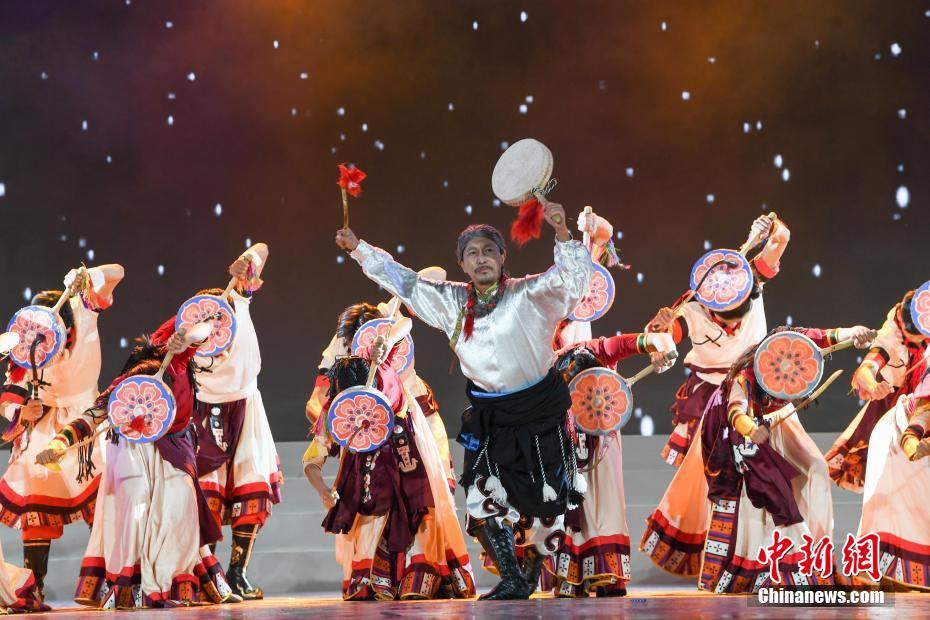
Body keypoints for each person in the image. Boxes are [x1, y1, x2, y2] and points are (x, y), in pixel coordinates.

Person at [335, 198, 595, 600]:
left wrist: (562, 232)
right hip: (493, 418)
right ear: (462, 263)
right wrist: (359, 249)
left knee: (549, 507)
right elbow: (404, 281)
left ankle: (528, 576)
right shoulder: (450, 302)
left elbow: (573, 282)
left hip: (541, 412)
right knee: (479, 499)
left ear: (502, 257)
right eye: (472, 253)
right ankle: (511, 578)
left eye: (489, 250)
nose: (481, 258)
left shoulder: (531, 293)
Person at [35, 321, 240, 608]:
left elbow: (201, 329)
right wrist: (59, 443)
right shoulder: (140, 375)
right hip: (134, 450)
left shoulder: (183, 362)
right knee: (134, 509)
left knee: (180, 508)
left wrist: (185, 340)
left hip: (175, 450)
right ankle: (133, 585)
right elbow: (96, 413)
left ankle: (172, 582)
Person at [640, 216, 790, 577]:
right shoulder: (690, 308)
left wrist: (772, 226)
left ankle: (768, 557)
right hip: (713, 400)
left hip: (759, 393)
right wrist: (658, 335)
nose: (734, 322)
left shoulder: (752, 280)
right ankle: (722, 558)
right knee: (712, 480)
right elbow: (665, 337)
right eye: (725, 315)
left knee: (777, 474)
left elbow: (781, 239)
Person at [698, 325, 872, 592]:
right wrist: (751, 430)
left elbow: (826, 338)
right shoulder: (745, 377)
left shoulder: (795, 342)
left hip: (781, 418)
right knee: (768, 489)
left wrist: (854, 333)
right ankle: (771, 566)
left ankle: (819, 560)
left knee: (816, 469)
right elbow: (736, 412)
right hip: (746, 427)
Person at [303, 338, 475, 601]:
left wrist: (378, 350)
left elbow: (397, 331)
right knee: (367, 561)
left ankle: (418, 574)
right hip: (366, 483)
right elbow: (312, 461)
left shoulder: (395, 394)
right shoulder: (336, 414)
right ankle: (379, 579)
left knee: (419, 524)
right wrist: (323, 490)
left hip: (409, 470)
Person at [0, 264, 124, 603]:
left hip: (89, 426)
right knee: (36, 503)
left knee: (104, 505)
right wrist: (20, 412)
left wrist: (88, 275)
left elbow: (118, 272)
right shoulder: (27, 343)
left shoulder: (85, 311)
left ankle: (112, 582)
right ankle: (35, 587)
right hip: (44, 429)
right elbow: (9, 396)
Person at [542, 329, 675, 598]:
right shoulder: (543, 361)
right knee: (572, 506)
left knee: (606, 505)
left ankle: (608, 575)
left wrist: (661, 351)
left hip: (602, 440)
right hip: (565, 441)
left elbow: (646, 340)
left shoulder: (598, 349)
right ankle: (574, 577)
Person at [192, 243, 281, 599]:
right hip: (206, 413)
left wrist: (246, 262)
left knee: (251, 491)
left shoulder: (238, 303)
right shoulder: (192, 342)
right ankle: (209, 575)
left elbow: (263, 248)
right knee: (208, 496)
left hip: (246, 408)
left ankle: (237, 572)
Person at [825, 289, 929, 491]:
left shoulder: (924, 312)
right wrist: (874, 387)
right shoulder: (890, 338)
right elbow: (866, 369)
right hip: (896, 400)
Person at [857, 370, 930, 590]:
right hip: (896, 441)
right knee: (900, 517)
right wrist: (921, 448)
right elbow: (911, 440)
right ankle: (883, 572)